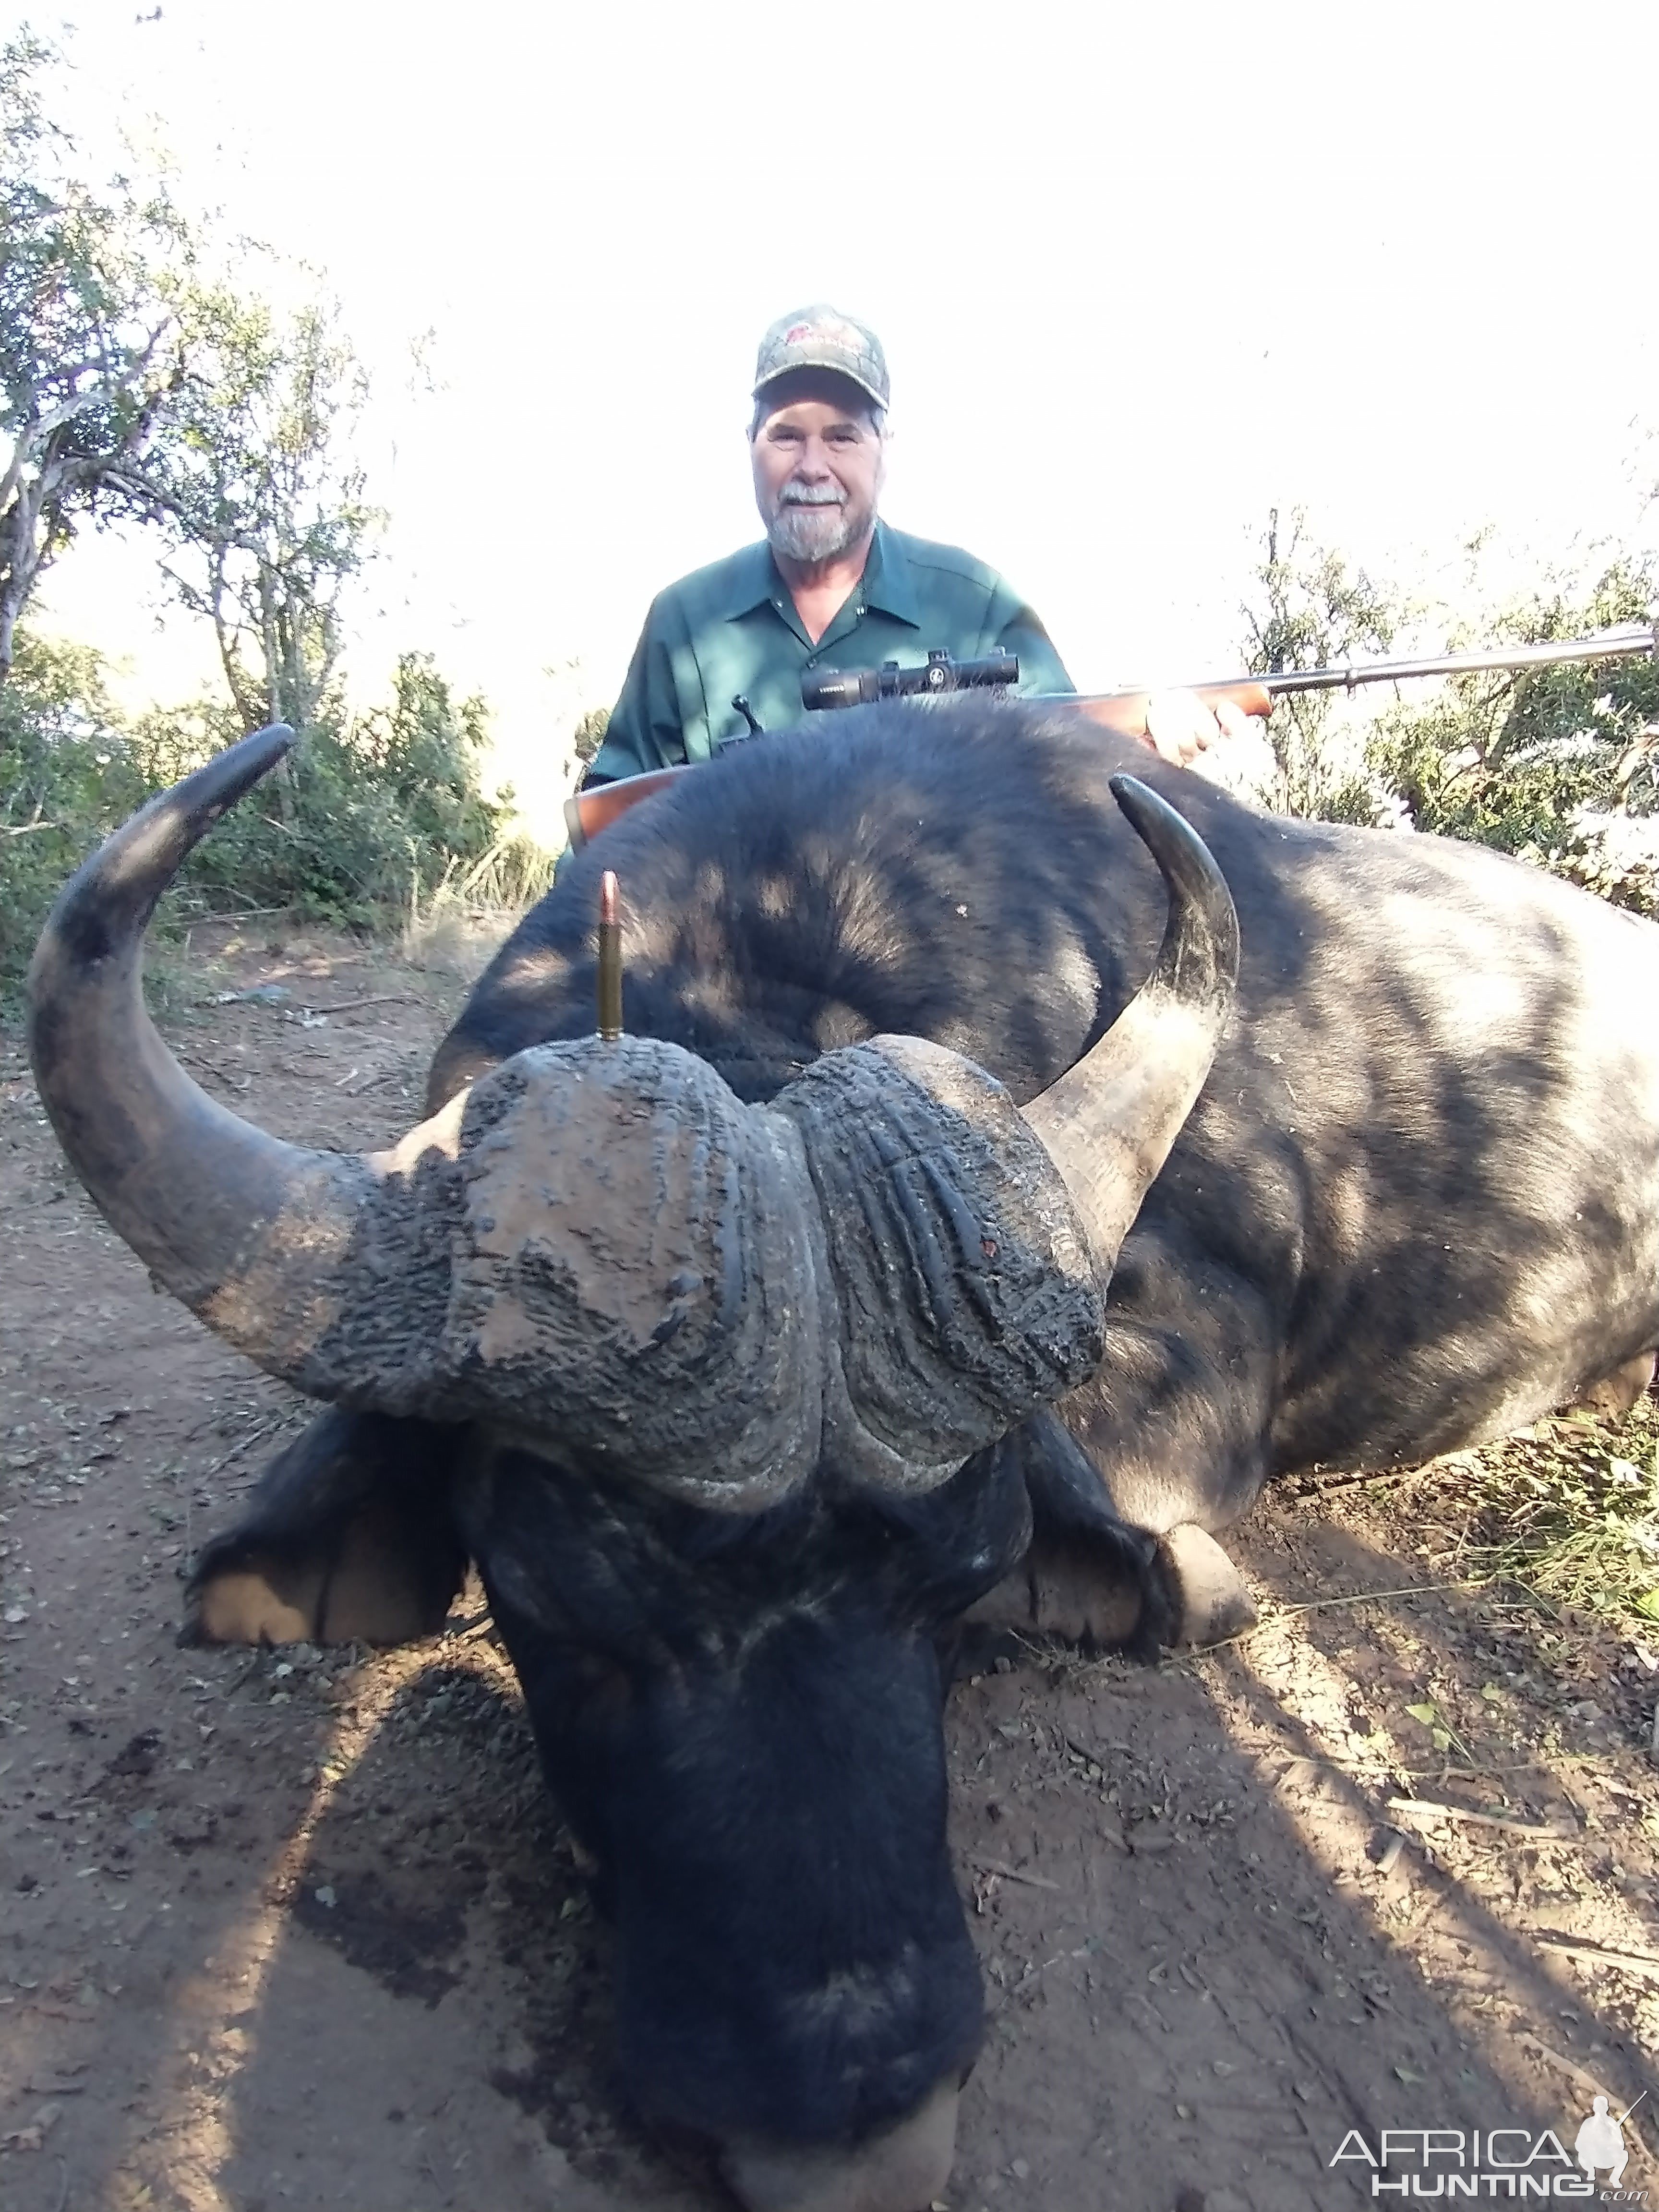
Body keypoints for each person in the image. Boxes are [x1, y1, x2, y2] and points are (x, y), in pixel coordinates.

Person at [585, 304, 1248, 788]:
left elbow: (1068, 768)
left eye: (842, 436)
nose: (812, 465)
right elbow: (603, 836)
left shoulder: (977, 604)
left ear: (884, 452)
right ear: (750, 446)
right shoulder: (683, 622)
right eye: (787, 436)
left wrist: (1152, 735)